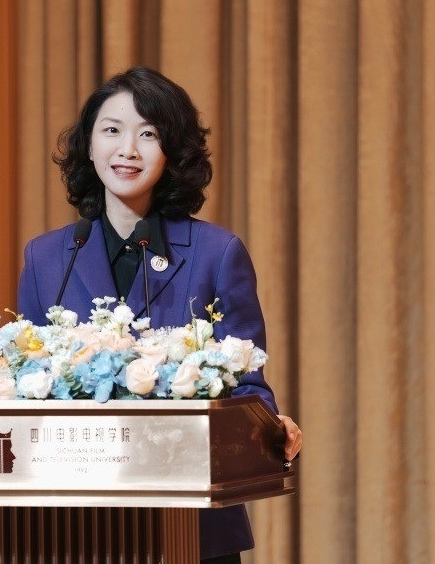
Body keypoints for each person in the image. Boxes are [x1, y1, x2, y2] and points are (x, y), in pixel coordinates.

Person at [17, 66, 302, 563]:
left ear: (172, 153)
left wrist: (270, 423)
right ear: (89, 146)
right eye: (112, 130)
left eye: (148, 135)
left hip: (192, 526)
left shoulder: (217, 253)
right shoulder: (46, 258)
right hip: (78, 525)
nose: (127, 149)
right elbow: (25, 384)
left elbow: (247, 381)